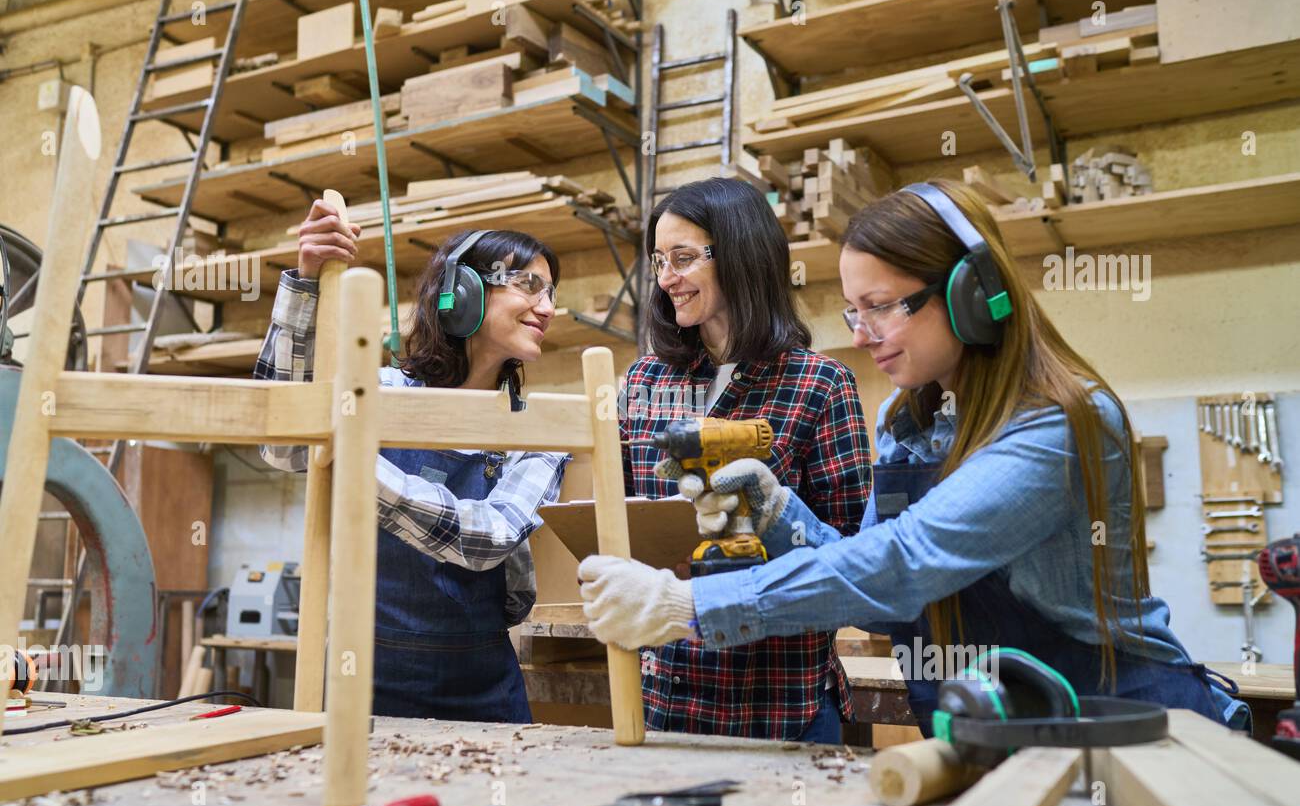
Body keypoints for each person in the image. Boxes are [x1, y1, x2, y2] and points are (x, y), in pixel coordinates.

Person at [581, 179, 1251, 734]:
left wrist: (689, 604)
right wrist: (778, 511)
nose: (862, 333)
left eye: (880, 307)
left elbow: (905, 563)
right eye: (852, 311)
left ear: (971, 295)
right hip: (992, 729)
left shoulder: (1061, 424)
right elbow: (882, 602)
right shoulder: (907, 423)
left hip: (1128, 729)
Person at [256, 198, 567, 722]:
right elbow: (282, 445)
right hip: (364, 675)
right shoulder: (378, 393)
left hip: (483, 684)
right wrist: (306, 286)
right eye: (529, 285)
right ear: (462, 292)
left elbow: (486, 538)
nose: (548, 307)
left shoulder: (533, 427)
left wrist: (355, 465)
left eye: (552, 292)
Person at [620, 177, 873, 744]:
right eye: (659, 260)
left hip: (782, 698)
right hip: (668, 695)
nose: (665, 279)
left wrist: (766, 523)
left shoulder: (820, 384)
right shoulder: (643, 382)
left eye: (683, 258)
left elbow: (855, 553)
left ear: (739, 254)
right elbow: (622, 519)